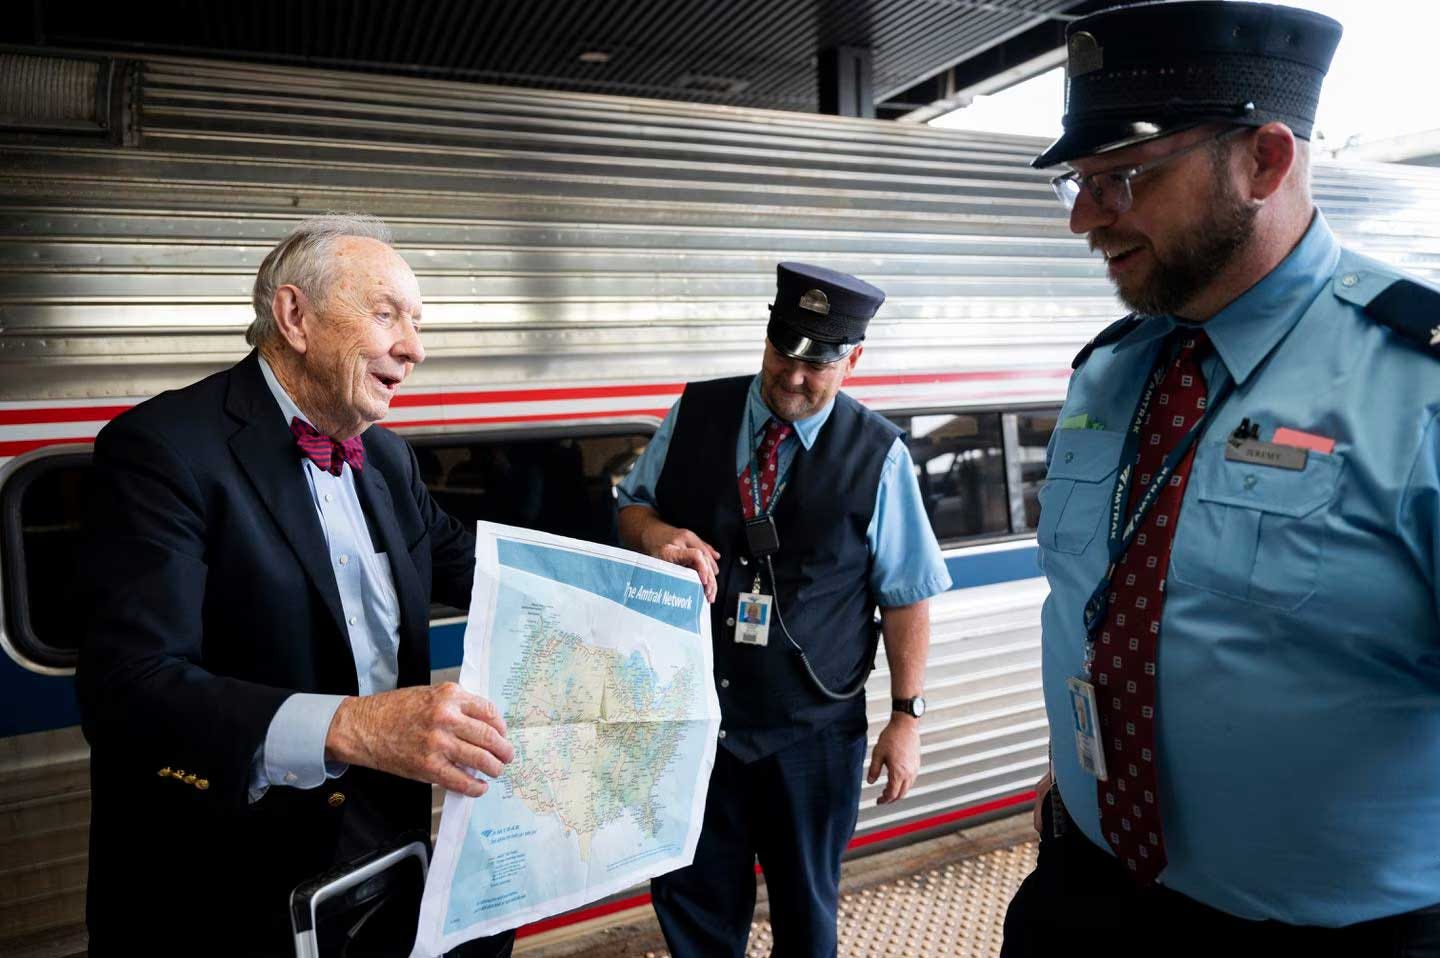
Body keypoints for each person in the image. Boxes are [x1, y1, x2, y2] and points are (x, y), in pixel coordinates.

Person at [1003, 2, 1440, 954]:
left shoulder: (1419, 387)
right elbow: (1096, 604)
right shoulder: (1109, 372)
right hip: (1085, 886)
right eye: (1077, 184)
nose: (1084, 220)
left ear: (1265, 162)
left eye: (1120, 178)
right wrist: (1073, 778)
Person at [77, 214, 517, 956]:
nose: (414, 348)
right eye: (386, 315)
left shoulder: (387, 458)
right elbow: (129, 689)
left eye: (416, 321)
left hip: (383, 856)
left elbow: (479, 569)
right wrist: (355, 726)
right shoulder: (160, 450)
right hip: (223, 888)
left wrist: (637, 566)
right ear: (294, 317)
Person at [618, 262, 952, 957]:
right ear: (767, 336)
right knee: (693, 909)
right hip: (688, 720)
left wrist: (906, 716)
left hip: (813, 736)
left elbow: (907, 593)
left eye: (818, 363)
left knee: (806, 919)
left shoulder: (879, 454)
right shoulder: (695, 412)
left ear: (853, 358)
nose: (794, 378)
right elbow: (633, 505)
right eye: (784, 353)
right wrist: (653, 534)